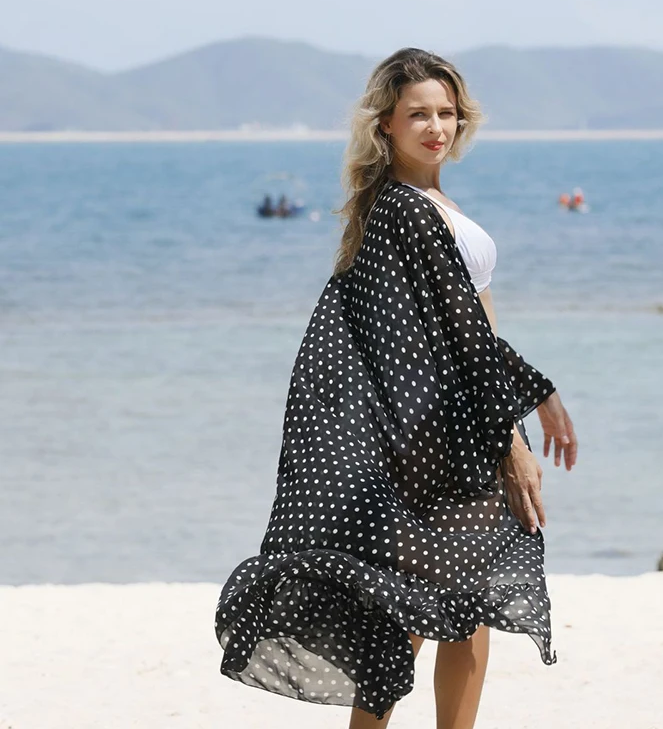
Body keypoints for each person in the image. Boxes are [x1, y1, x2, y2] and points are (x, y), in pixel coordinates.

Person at [214, 47, 578, 729]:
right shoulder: (401, 210)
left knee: (466, 604)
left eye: (446, 113)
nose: (436, 127)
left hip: (467, 422)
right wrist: (518, 433)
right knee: (412, 610)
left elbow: (476, 330)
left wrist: (523, 409)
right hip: (435, 438)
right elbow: (441, 344)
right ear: (386, 123)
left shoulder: (435, 204)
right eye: (418, 114)